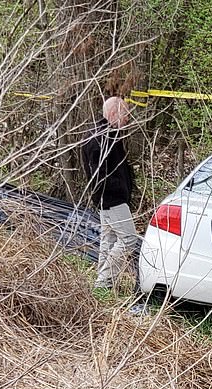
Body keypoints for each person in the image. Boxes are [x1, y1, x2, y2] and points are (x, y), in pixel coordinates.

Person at [82, 96, 138, 290]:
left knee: (109, 239)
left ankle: (102, 284)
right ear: (114, 113)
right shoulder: (101, 139)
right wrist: (119, 189)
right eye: (126, 114)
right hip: (112, 199)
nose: (128, 119)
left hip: (108, 199)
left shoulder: (108, 136)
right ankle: (104, 281)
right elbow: (100, 176)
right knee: (129, 239)